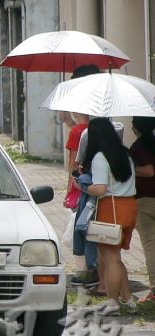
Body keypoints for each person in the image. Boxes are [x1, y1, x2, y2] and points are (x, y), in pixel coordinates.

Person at [79, 117, 140, 314]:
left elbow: (100, 188)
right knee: (116, 256)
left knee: (110, 258)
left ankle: (112, 302)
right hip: (129, 207)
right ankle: (128, 299)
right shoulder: (125, 154)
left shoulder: (99, 157)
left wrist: (81, 186)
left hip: (111, 208)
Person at [66, 112, 98, 288]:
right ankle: (95, 272)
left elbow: (73, 163)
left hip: (86, 189)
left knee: (82, 228)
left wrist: (72, 187)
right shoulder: (113, 131)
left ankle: (86, 272)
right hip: (111, 199)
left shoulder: (81, 132)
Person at [129, 116, 155, 302]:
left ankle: (154, 290)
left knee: (150, 245)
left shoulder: (139, 147)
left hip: (145, 200)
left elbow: (148, 171)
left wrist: (132, 168)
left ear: (137, 128)